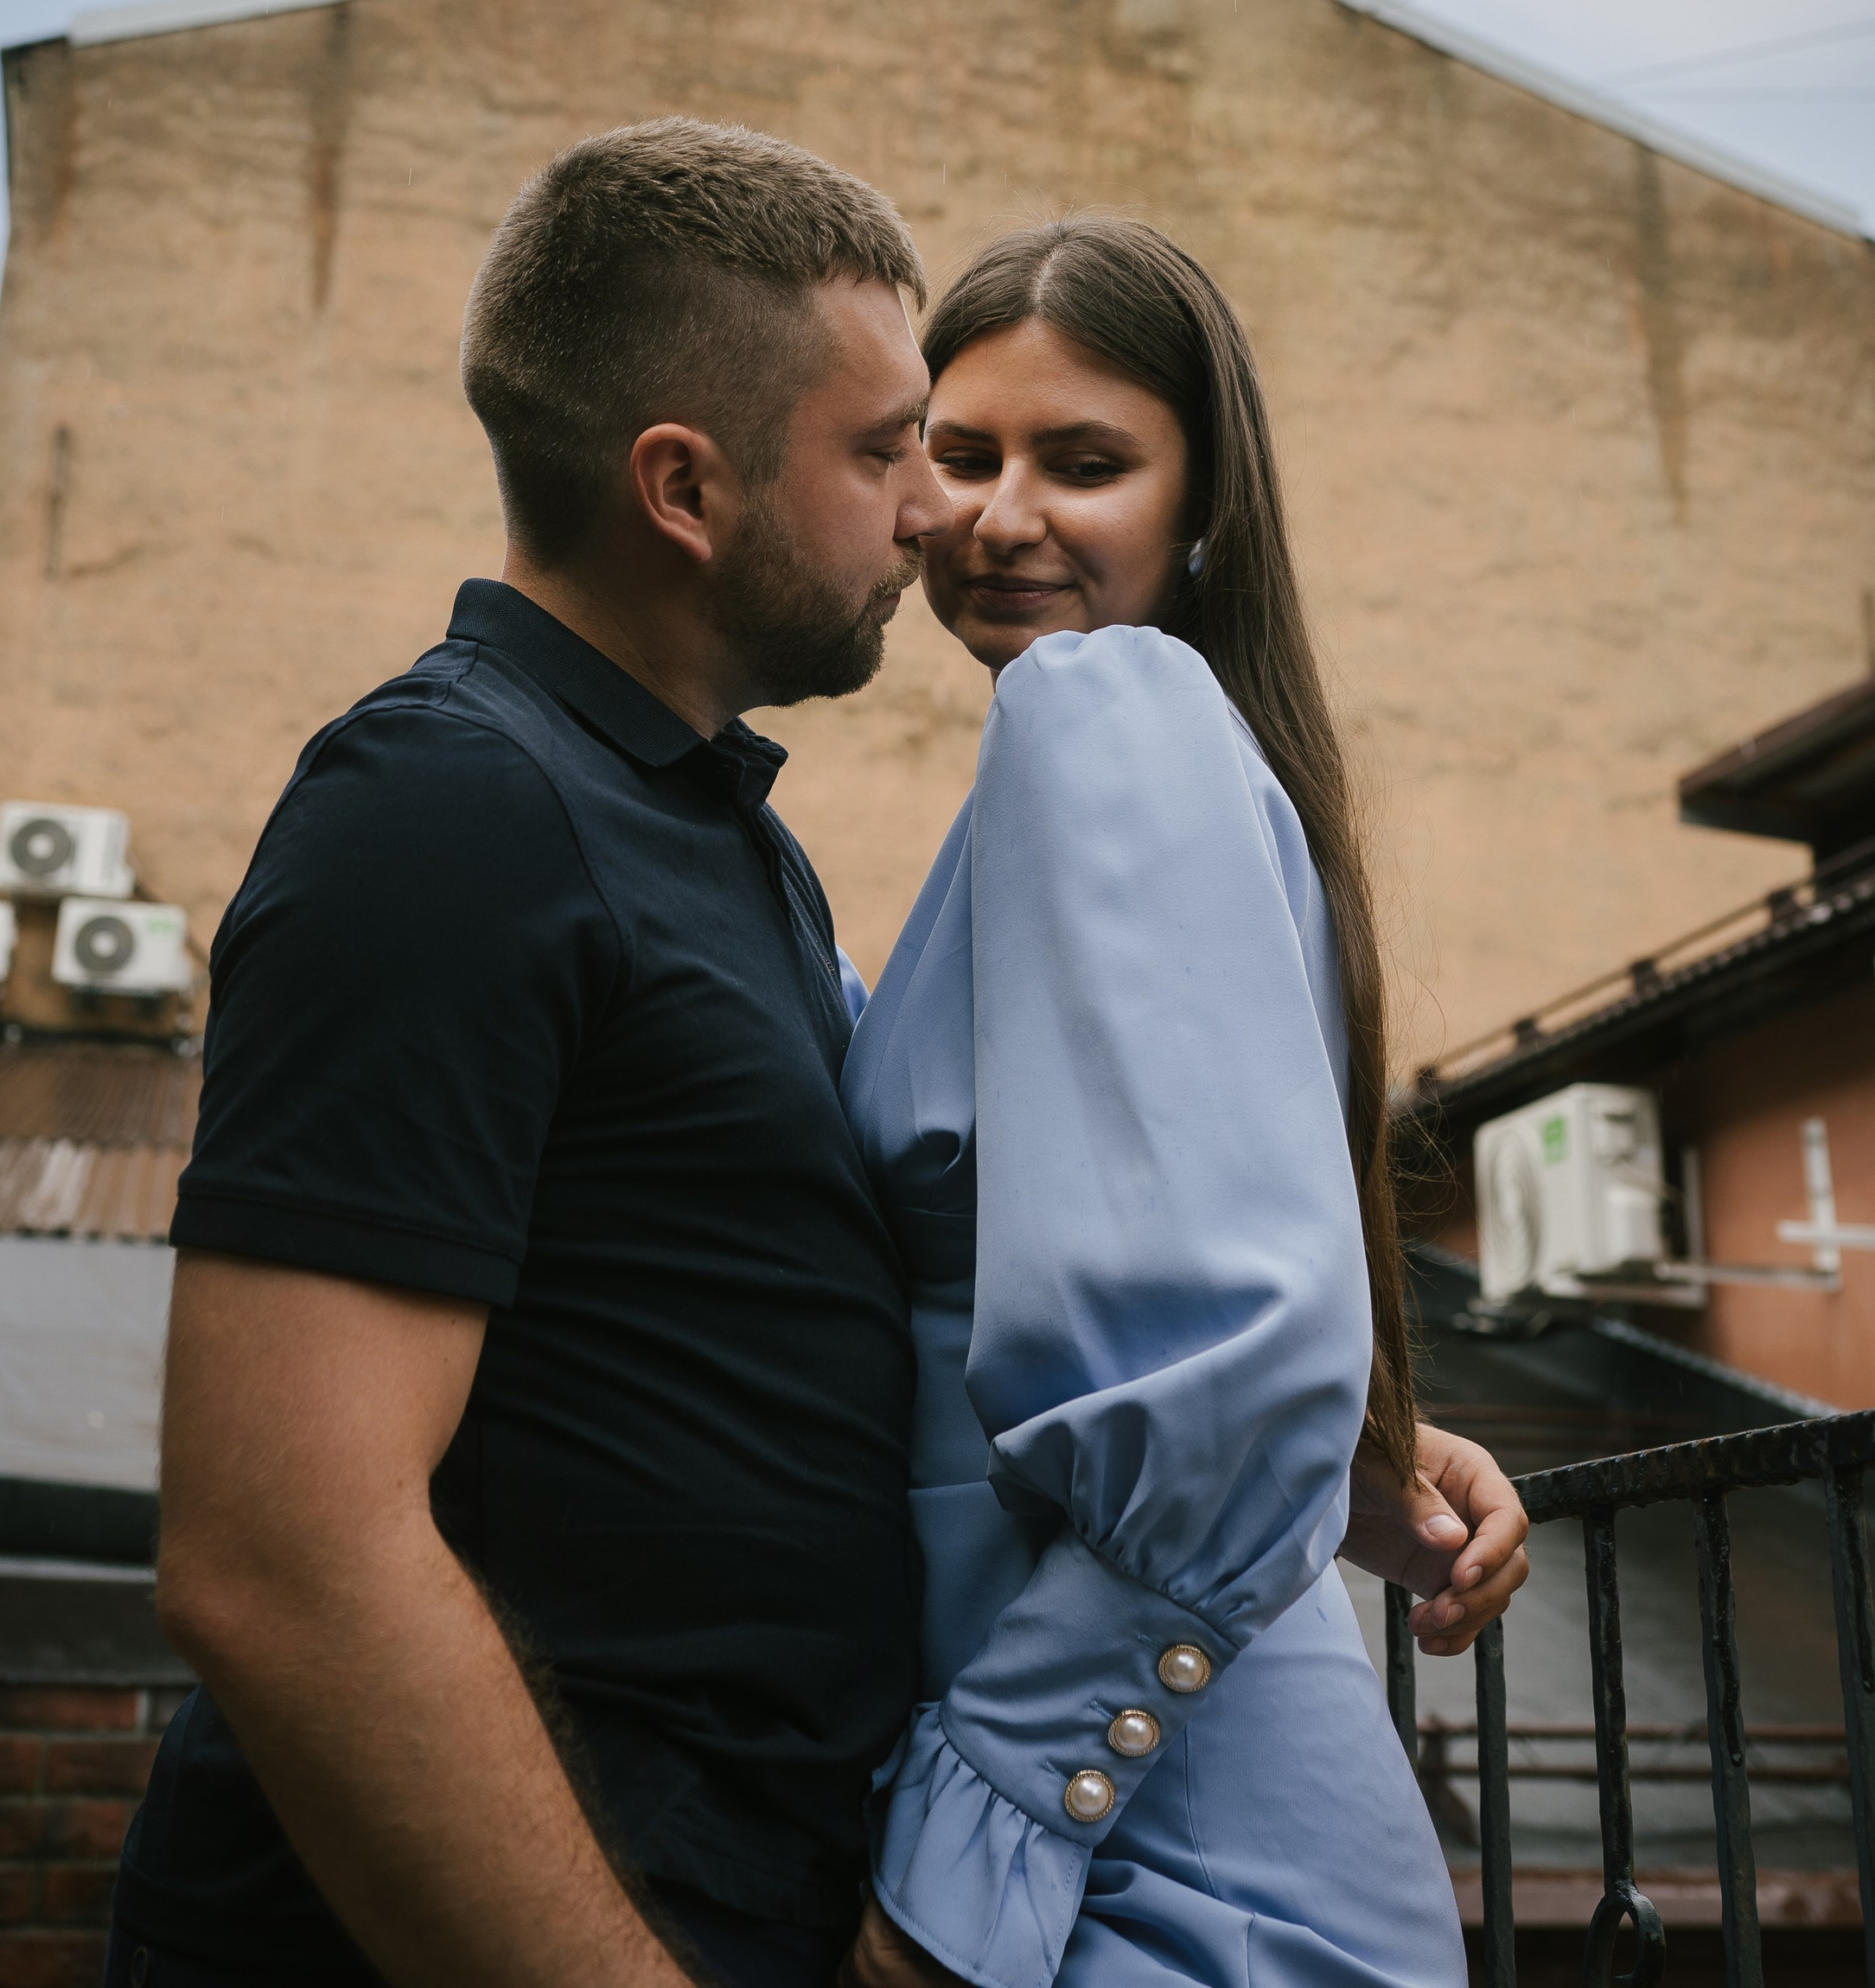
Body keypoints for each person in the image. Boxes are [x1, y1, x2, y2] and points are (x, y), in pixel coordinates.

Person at [108, 124, 1520, 1988]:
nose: (946, 512)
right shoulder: (457, 805)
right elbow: (280, 1557)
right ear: (684, 488)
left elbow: (1012, 1317)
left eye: (1069, 460)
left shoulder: (737, 851)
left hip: (944, 1869)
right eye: (901, 452)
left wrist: (1316, 1440)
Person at [839, 215, 1499, 1988]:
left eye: (1085, 463)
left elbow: (1215, 1364)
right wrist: (1371, 1470)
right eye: (956, 452)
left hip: (1151, 1848)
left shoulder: (1098, 702)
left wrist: (961, 1856)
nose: (998, 513)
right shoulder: (1136, 753)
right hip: (1176, 1807)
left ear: (1200, 507)